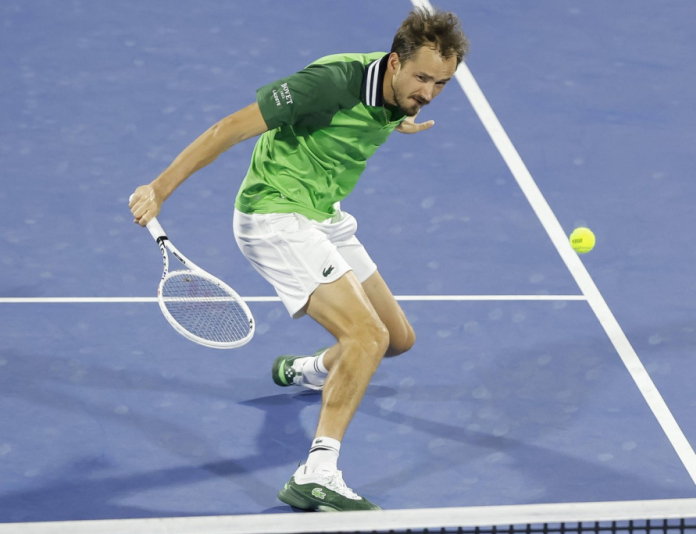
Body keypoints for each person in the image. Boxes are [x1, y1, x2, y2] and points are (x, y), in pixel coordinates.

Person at [129, 7, 469, 512]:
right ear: (395, 63)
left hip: (322, 213)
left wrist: (397, 115)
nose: (429, 93)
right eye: (422, 79)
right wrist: (159, 188)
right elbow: (229, 128)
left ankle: (309, 370)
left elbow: (380, 108)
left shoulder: (395, 90)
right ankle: (317, 473)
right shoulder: (328, 84)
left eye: (441, 84)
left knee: (397, 340)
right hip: (275, 215)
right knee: (367, 337)